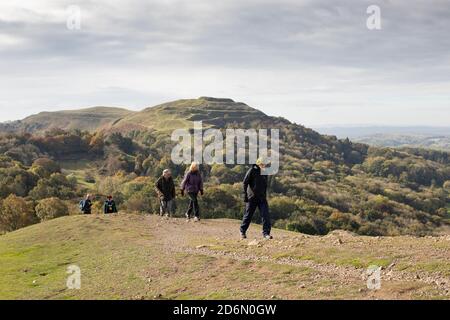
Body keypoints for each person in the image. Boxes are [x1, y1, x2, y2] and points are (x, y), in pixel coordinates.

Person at [240, 158, 273, 240]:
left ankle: (266, 234)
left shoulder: (265, 173)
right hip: (252, 198)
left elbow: (265, 186)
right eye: (262, 164)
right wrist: (245, 195)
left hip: (262, 198)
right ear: (258, 163)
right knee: (248, 215)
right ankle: (242, 231)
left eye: (265, 164)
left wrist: (265, 196)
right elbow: (245, 182)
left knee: (266, 216)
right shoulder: (252, 170)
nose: (264, 165)